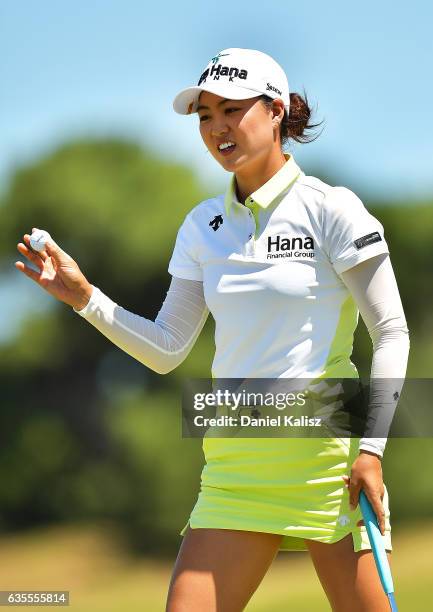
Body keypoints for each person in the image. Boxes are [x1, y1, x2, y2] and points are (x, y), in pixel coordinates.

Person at [15, 47, 409, 612]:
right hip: (233, 471)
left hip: (328, 469)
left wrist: (372, 450)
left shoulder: (333, 209)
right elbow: (169, 348)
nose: (217, 127)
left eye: (232, 109)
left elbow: (391, 331)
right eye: (204, 115)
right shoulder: (202, 227)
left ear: (276, 111)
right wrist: (86, 300)